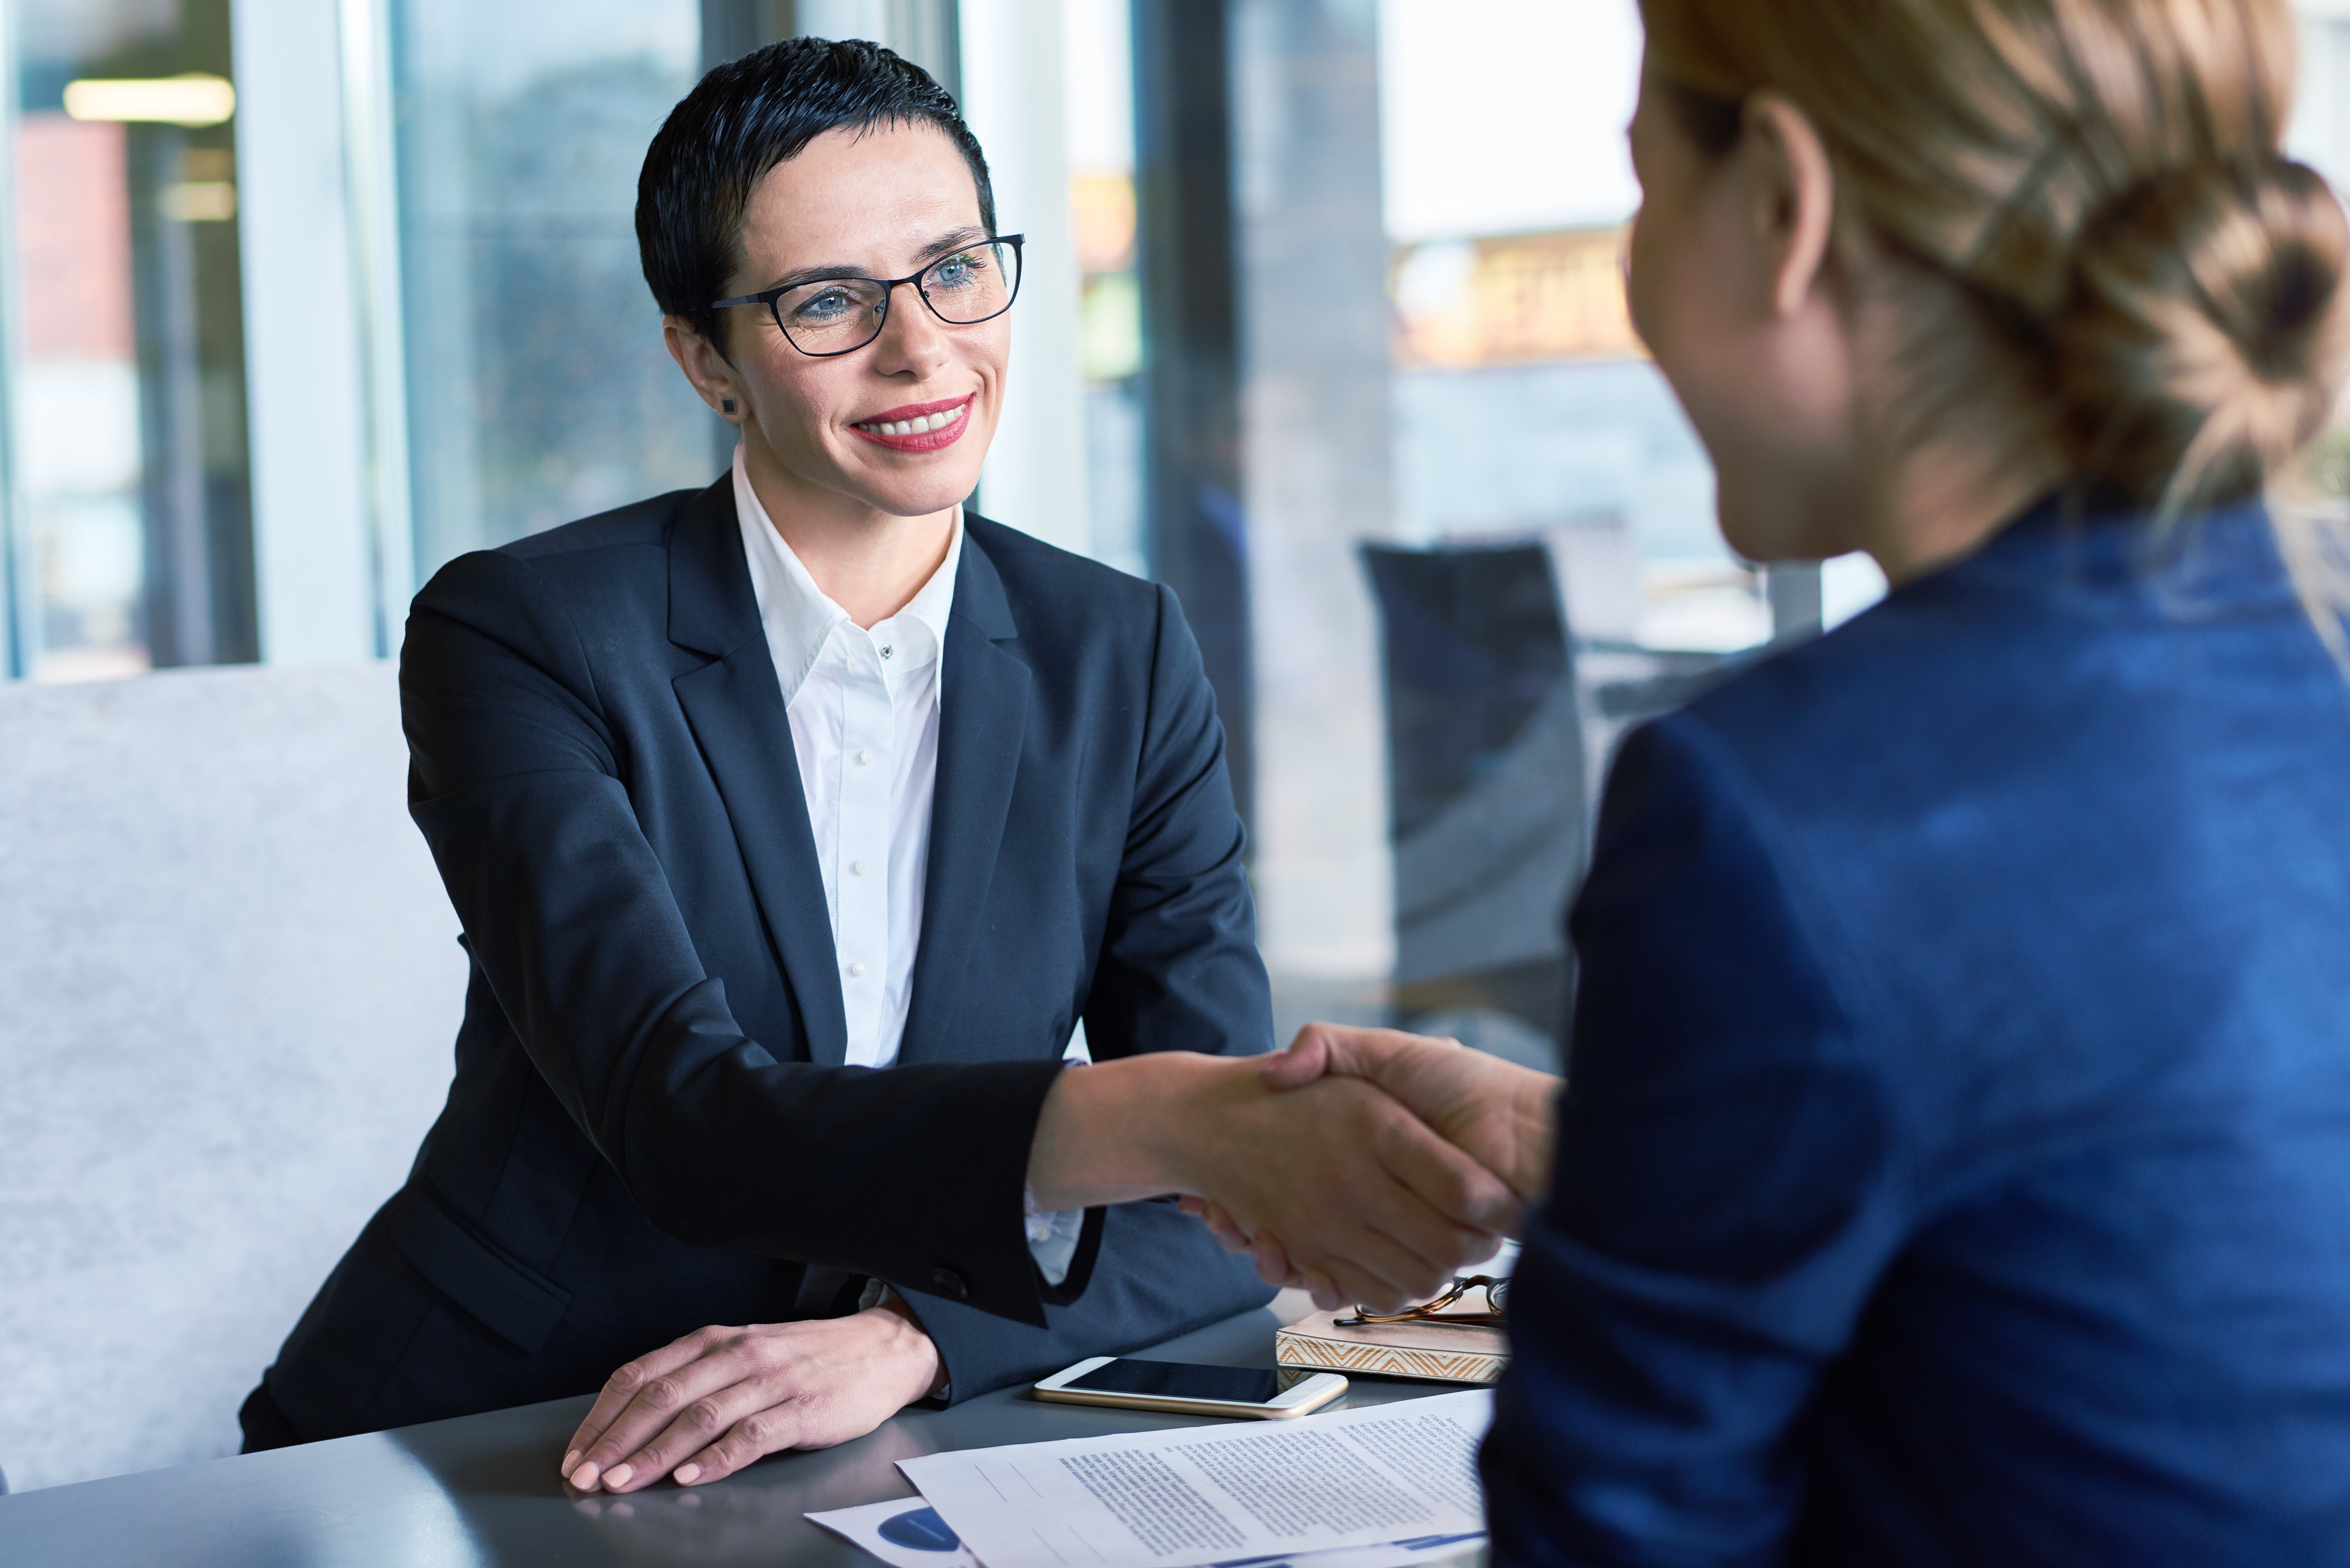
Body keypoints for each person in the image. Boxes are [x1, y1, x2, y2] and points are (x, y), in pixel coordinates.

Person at [240, 38, 1516, 1495]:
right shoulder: (523, 633)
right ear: (706, 361)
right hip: (506, 1424)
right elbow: (682, 1119)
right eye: (827, 301)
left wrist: (916, 1337)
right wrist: (1189, 1123)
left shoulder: (1119, 649)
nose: (920, 350)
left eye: (955, 270)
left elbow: (1210, 1215)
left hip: (887, 1440)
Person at [1220, 0, 2350, 1558]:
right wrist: (1621, 1161)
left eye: (1643, 184)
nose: (1635, 281)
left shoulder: (1773, 812)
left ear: (1779, 205)